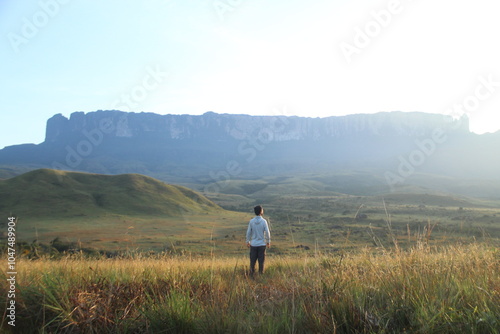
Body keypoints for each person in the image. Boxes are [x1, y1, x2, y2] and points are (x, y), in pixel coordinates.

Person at [246, 205, 271, 276]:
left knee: (252, 262)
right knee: (261, 262)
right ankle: (260, 275)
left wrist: (247, 241)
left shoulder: (251, 221)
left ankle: (251, 276)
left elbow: (248, 232)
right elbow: (267, 232)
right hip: (262, 244)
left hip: (253, 244)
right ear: (261, 211)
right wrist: (268, 241)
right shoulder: (264, 221)